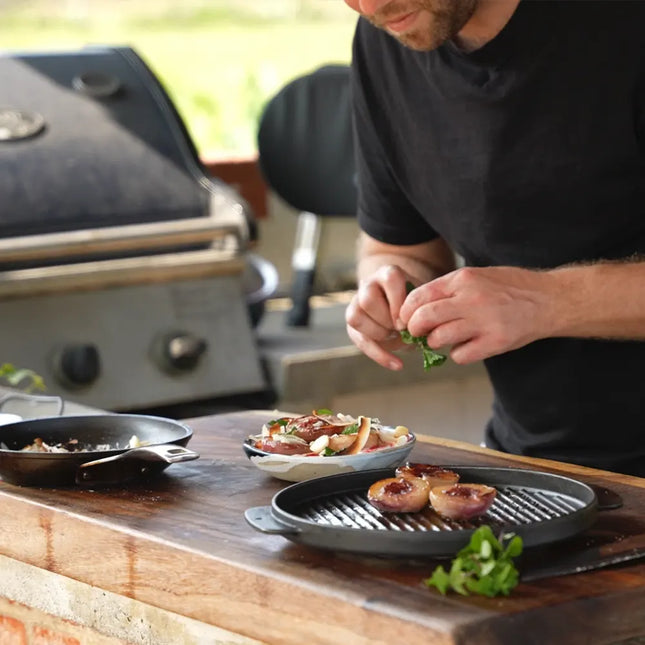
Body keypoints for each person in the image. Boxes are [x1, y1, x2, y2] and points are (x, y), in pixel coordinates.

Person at [342, 0, 645, 476]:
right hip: (534, 463)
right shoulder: (387, 40)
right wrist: (390, 287)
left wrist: (546, 301)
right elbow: (399, 246)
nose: (371, 5)